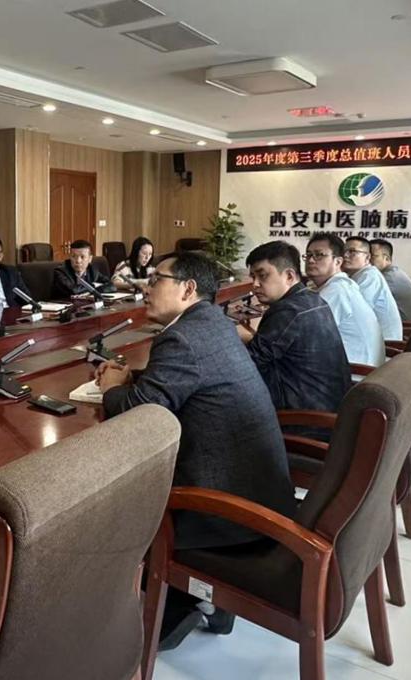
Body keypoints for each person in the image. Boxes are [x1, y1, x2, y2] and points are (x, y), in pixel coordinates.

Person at [96, 251, 295, 650]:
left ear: (188, 289)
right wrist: (135, 377)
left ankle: (172, 606)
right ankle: (192, 603)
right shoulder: (212, 323)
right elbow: (186, 380)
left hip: (223, 514)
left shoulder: (181, 338)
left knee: (116, 498)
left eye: (156, 280)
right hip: (262, 494)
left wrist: (112, 389)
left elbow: (141, 412)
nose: (146, 288)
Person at [238, 241, 351, 413]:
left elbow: (247, 363)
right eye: (253, 277)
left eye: (262, 276)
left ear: (289, 276)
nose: (255, 284)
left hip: (302, 417)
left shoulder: (288, 311)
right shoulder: (313, 299)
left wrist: (229, 337)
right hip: (328, 405)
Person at [304, 232, 385, 367]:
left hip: (357, 372)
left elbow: (306, 333)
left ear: (338, 261)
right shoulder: (338, 285)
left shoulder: (337, 290)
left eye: (319, 255)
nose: (311, 260)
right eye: (308, 255)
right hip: (356, 367)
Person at [342, 236, 403, 341]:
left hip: (386, 344)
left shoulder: (369, 276)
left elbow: (354, 314)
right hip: (370, 339)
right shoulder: (359, 275)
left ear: (367, 257)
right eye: (344, 252)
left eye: (352, 252)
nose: (345, 255)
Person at [370, 238, 411, 322]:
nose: (367, 260)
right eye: (366, 256)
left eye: (372, 256)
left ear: (387, 258)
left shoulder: (389, 279)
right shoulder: (394, 272)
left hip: (406, 327)